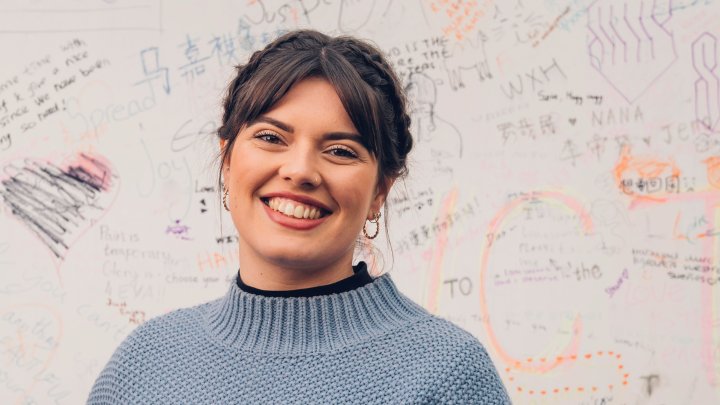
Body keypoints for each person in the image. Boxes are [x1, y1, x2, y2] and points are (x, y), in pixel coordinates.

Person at [87, 30, 510, 404]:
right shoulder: (143, 368)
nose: (300, 171)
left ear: (380, 191)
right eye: (271, 137)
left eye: (341, 151)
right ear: (228, 162)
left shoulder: (447, 374)